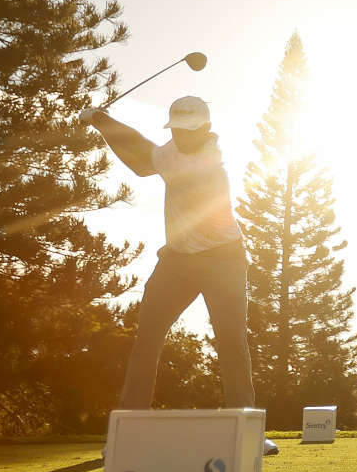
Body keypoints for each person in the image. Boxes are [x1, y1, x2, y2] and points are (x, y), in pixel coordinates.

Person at [83, 95, 258, 416]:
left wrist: (101, 121)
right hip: (178, 259)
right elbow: (141, 159)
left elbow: (141, 158)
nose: (184, 136)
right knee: (147, 336)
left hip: (223, 259)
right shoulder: (172, 152)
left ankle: (247, 429)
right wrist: (102, 123)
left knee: (231, 341)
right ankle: (132, 425)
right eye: (178, 130)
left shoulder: (204, 161)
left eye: (190, 130)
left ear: (206, 129)